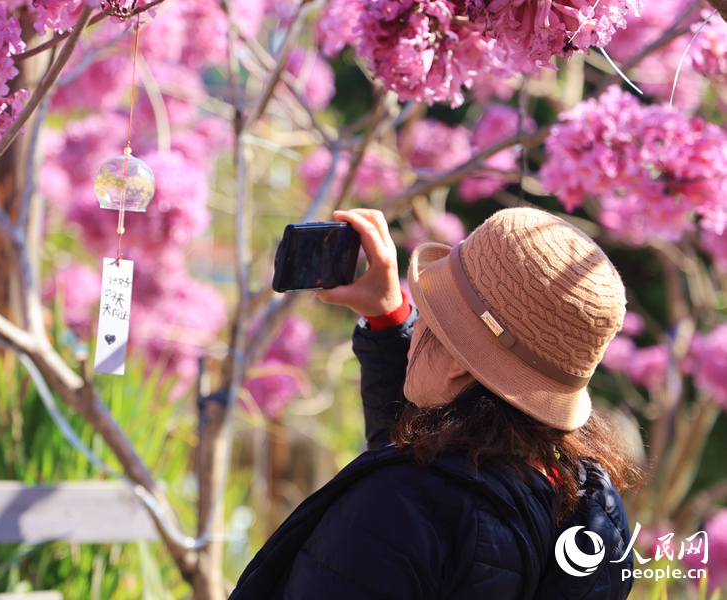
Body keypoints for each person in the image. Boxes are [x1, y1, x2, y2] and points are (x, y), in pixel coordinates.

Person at [230, 207, 639, 600]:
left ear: (460, 362)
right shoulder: (594, 516)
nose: (418, 321)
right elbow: (435, 467)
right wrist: (389, 318)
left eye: (429, 313)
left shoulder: (396, 506)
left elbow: (418, 504)